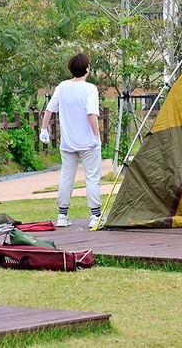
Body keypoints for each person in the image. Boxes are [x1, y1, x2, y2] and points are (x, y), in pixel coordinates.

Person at [40, 53, 103, 230]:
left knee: (66, 177)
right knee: (92, 178)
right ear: (87, 69)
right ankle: (95, 215)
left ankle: (62, 215)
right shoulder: (90, 89)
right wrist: (96, 136)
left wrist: (44, 130)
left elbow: (49, 109)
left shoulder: (62, 87)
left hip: (67, 142)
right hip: (88, 143)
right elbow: (91, 113)